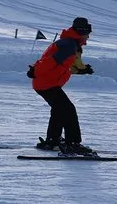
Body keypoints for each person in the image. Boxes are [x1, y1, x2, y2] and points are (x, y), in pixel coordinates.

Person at [26, 17, 94, 155]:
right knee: (68, 110)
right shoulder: (70, 45)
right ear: (82, 32)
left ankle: (53, 141)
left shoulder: (70, 43)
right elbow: (50, 62)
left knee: (60, 110)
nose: (88, 37)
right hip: (47, 83)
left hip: (46, 83)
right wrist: (35, 69)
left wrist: (82, 70)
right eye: (88, 34)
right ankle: (73, 144)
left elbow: (66, 66)